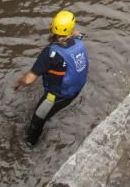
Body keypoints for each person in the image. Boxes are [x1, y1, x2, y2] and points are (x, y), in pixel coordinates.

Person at [14, 10, 89, 146]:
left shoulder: (50, 54)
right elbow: (78, 34)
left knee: (37, 119)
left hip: (58, 96)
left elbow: (29, 79)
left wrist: (18, 82)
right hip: (76, 89)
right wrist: (73, 32)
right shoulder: (78, 39)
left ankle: (29, 146)